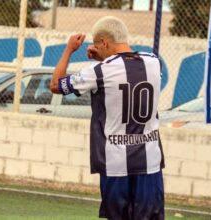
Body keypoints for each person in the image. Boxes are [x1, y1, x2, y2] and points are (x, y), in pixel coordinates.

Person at [50, 16, 165, 220]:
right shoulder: (154, 63)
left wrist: (69, 49)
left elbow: (56, 85)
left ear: (104, 42)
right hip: (150, 162)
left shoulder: (99, 71)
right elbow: (126, 68)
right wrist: (104, 57)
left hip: (116, 163)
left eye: (98, 45)